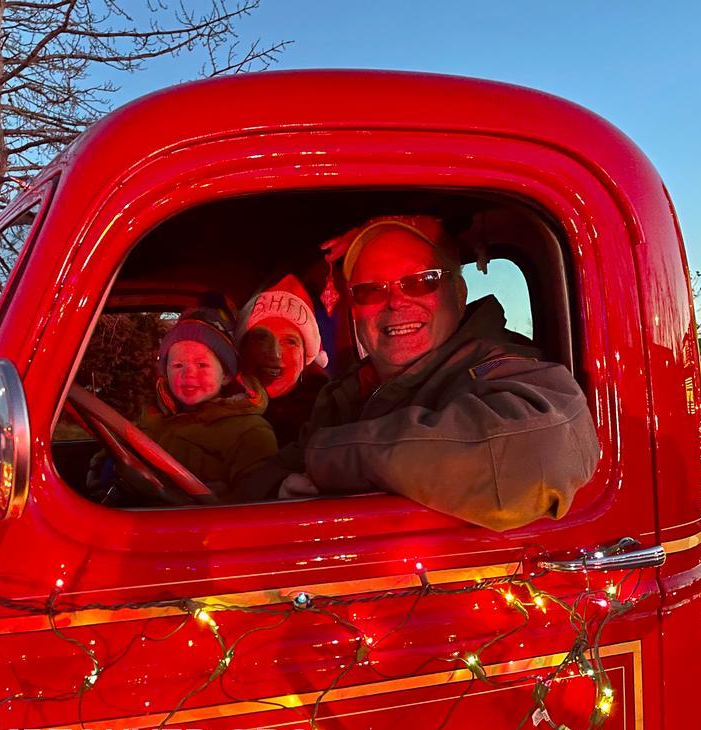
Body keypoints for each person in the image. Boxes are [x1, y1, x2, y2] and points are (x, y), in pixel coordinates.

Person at [244, 214, 600, 531]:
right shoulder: (347, 391)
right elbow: (274, 468)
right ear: (354, 310)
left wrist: (330, 460)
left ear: (457, 293)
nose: (396, 302)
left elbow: (540, 451)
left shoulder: (496, 367)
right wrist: (277, 486)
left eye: (421, 281)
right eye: (371, 290)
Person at [89, 307, 278, 502]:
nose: (188, 374)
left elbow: (253, 506)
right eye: (178, 365)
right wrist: (100, 467)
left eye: (202, 365)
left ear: (226, 375)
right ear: (166, 373)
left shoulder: (250, 433)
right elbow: (122, 446)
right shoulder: (155, 414)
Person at [235, 275, 330, 446]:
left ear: (305, 357)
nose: (275, 353)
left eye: (289, 341)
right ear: (243, 348)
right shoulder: (215, 404)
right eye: (261, 338)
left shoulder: (328, 414)